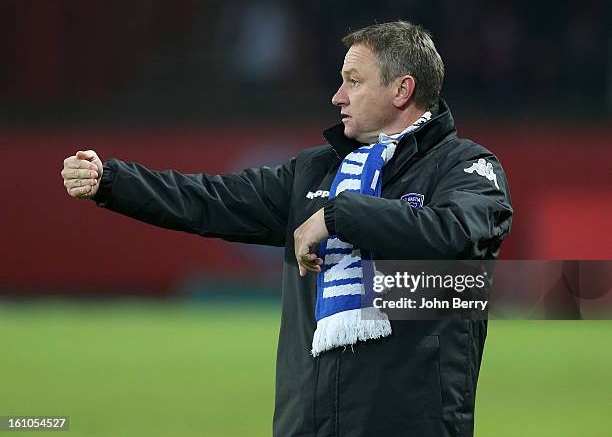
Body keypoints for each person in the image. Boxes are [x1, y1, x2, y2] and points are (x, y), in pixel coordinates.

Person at [61, 21, 512, 437]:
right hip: (308, 425)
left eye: (353, 81)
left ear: (402, 90)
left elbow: (455, 233)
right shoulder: (314, 171)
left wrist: (339, 215)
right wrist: (112, 182)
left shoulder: (466, 167)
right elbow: (209, 200)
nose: (338, 96)